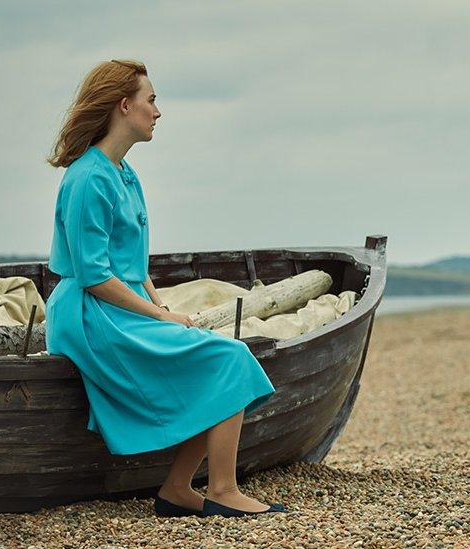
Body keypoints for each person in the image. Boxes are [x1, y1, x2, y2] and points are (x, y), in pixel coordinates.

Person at [45, 59, 285, 517]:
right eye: (151, 100)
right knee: (229, 357)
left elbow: (129, 263)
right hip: (90, 318)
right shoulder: (90, 178)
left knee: (208, 359)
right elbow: (94, 275)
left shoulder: (123, 172)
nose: (158, 111)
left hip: (119, 309)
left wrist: (161, 303)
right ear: (124, 105)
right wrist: (158, 317)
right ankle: (223, 489)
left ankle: (177, 490)